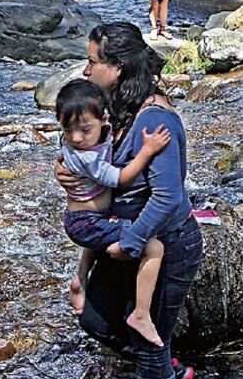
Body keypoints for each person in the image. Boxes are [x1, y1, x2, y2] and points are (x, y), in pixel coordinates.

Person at [56, 22, 202, 379]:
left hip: (163, 245)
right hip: (123, 239)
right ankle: (162, 374)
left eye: (92, 62)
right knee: (93, 319)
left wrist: (132, 242)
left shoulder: (156, 120)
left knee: (149, 342)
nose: (86, 71)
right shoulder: (115, 111)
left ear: (117, 67)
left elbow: (168, 197)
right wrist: (68, 175)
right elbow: (94, 169)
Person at [56, 79, 171, 346]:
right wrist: (147, 150)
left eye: (84, 129)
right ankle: (141, 314)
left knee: (105, 231)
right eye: (69, 130)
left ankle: (80, 279)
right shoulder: (87, 156)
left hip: (88, 220)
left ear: (103, 117)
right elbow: (121, 178)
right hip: (86, 222)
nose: (75, 138)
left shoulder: (97, 131)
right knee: (154, 248)